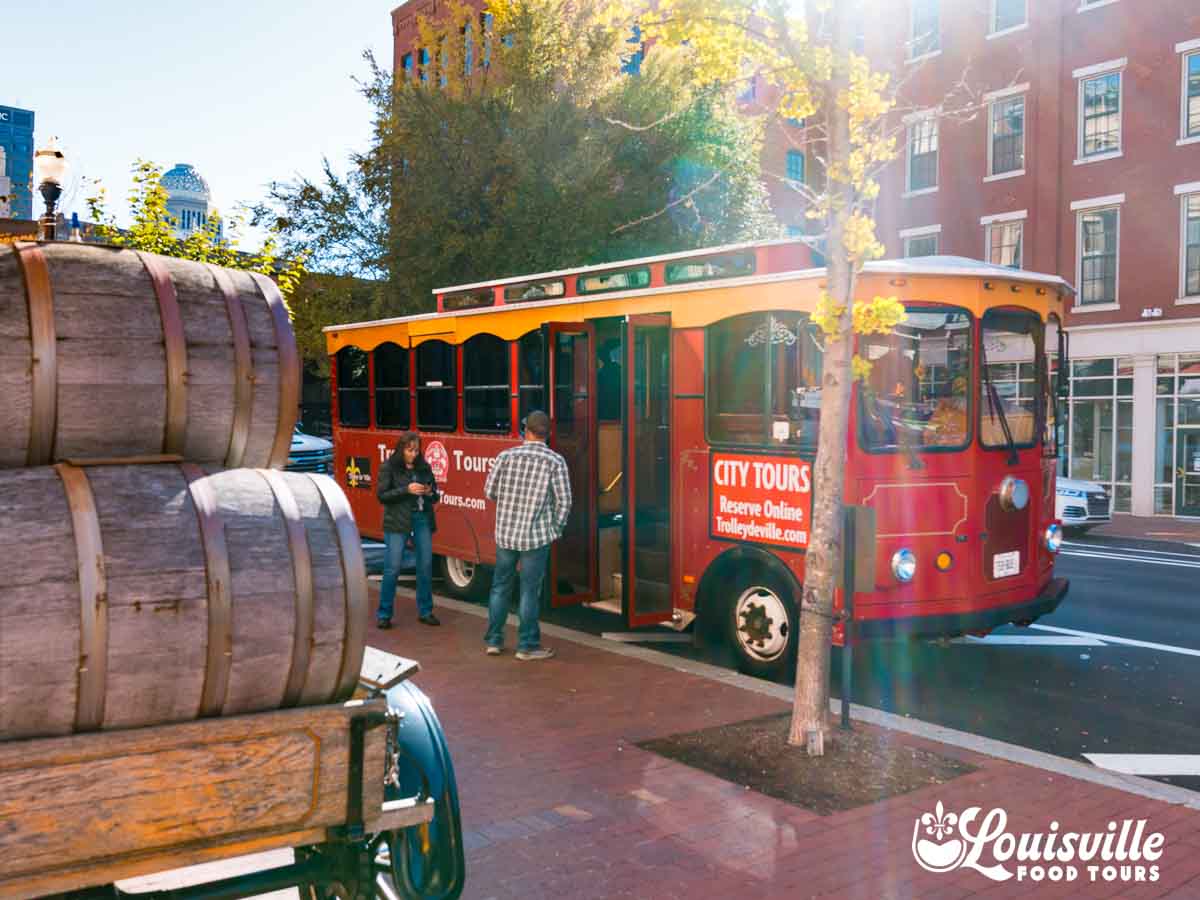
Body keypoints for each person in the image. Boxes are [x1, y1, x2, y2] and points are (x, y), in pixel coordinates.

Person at [483, 410, 571, 661]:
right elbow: (564, 502)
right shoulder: (555, 461)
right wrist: (555, 528)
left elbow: (489, 491)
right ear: (547, 434)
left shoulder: (506, 456)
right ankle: (527, 646)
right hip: (536, 537)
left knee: (500, 587)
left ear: (526, 430)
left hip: (506, 534)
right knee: (529, 591)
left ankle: (494, 641)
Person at [375, 431, 440, 629]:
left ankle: (426, 611)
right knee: (392, 568)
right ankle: (384, 614)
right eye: (409, 450)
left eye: (416, 450)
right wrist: (406, 490)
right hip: (397, 520)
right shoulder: (389, 467)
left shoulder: (424, 467)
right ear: (402, 449)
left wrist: (429, 492)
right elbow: (382, 495)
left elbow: (435, 495)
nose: (413, 454)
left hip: (421, 517)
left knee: (425, 565)